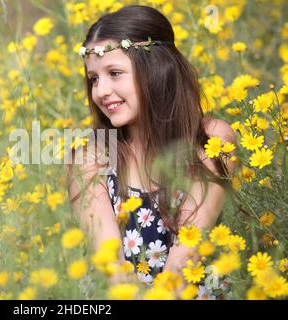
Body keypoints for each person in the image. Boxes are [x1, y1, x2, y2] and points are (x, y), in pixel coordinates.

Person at [67, 5, 236, 284]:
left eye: (115, 73)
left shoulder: (211, 141)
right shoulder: (91, 157)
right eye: (94, 78)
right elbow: (113, 270)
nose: (101, 91)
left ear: (157, 69)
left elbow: (183, 266)